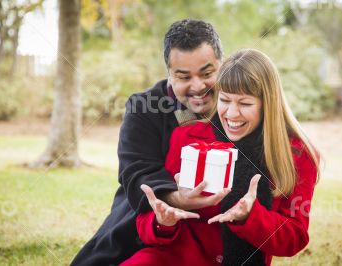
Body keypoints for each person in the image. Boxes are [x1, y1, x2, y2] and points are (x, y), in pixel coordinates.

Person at [121, 49, 320, 266]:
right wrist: (162, 221)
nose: (231, 114)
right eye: (225, 100)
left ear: (267, 104)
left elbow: (294, 237)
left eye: (244, 104)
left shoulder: (296, 154)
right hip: (172, 259)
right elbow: (146, 222)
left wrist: (250, 217)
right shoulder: (187, 137)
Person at [71, 19, 231, 266]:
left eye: (207, 73)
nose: (198, 86)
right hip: (145, 222)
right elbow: (136, 173)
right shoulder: (143, 107)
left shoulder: (239, 106)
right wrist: (177, 198)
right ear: (169, 73)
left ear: (223, 65)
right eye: (183, 76)